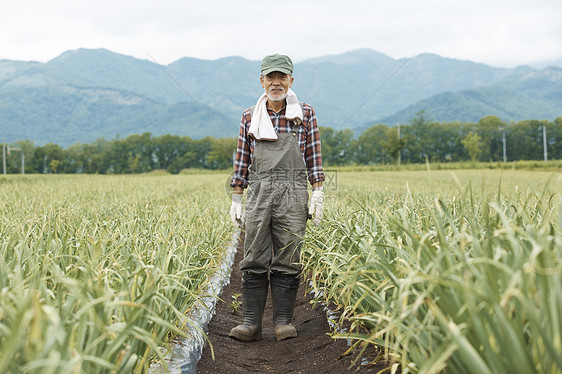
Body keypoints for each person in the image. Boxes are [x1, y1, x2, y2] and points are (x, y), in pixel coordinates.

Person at [229, 54, 325, 342]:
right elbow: (242, 160)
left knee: (289, 254)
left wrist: (318, 190)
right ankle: (250, 323)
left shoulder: (304, 114)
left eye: (282, 77)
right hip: (258, 191)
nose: (276, 82)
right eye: (270, 77)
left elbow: (314, 156)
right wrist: (236, 198)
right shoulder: (250, 116)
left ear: (291, 80)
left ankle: (283, 321)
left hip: (293, 191)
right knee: (254, 254)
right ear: (262, 81)